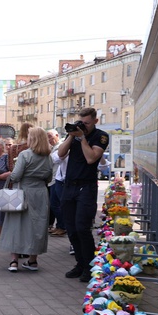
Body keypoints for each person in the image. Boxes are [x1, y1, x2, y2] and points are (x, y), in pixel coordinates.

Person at [57, 107, 109, 281]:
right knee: (71, 229)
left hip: (86, 187)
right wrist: (72, 135)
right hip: (69, 186)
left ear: (95, 121)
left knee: (82, 228)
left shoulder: (100, 136)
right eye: (82, 122)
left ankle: (89, 266)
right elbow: (61, 154)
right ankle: (80, 264)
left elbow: (91, 158)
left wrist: (82, 138)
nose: (83, 126)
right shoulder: (75, 134)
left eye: (87, 123)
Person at [0, 127, 54, 272]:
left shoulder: (25, 155)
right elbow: (49, 178)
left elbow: (16, 175)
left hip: (23, 192)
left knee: (17, 224)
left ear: (33, 139)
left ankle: (14, 261)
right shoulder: (48, 157)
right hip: (41, 193)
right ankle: (32, 260)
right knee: (37, 225)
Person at [49, 130, 68, 237]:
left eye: (50, 136)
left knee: (57, 204)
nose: (48, 139)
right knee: (54, 204)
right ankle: (60, 226)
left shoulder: (60, 146)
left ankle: (63, 227)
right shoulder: (54, 147)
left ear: (57, 135)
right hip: (55, 178)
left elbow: (53, 159)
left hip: (59, 179)